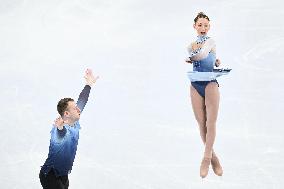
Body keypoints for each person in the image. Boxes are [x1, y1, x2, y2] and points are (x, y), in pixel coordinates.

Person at [39, 69, 99, 189]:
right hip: (50, 175)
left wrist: (88, 85)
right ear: (66, 113)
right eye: (74, 108)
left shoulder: (74, 120)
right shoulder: (57, 130)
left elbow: (82, 100)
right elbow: (60, 136)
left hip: (63, 175)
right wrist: (60, 128)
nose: (78, 109)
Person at [186, 12, 223, 178]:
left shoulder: (211, 41)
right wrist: (214, 60)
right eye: (200, 25)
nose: (203, 28)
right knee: (201, 123)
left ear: (209, 27)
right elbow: (201, 57)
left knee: (211, 122)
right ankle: (213, 157)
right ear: (194, 26)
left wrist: (196, 58)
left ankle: (206, 158)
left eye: (206, 25)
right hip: (195, 84)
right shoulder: (191, 45)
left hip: (210, 83)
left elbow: (202, 55)